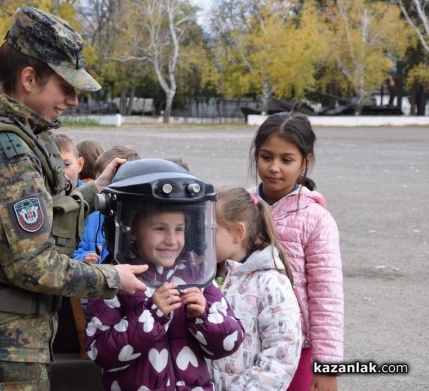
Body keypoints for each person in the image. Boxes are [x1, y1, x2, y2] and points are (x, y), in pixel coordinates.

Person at [0, 6, 147, 390]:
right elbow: (32, 264)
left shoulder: (16, 136)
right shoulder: (8, 154)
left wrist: (93, 190)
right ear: (30, 78)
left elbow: (39, 212)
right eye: (65, 87)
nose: (73, 100)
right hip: (2, 345)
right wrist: (110, 277)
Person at [85, 158, 245, 390]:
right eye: (159, 228)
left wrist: (204, 315)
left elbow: (229, 344)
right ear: (130, 230)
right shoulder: (116, 280)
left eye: (179, 229)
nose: (171, 239)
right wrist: (152, 315)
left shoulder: (196, 276)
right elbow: (101, 352)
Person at [249, 113, 343, 391]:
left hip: (297, 346)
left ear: (306, 162)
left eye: (286, 160)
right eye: (266, 157)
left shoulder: (316, 219)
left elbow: (327, 296)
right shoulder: (240, 207)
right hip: (243, 340)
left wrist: (327, 367)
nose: (274, 167)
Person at [210, 185, 302, 391]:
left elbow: (281, 356)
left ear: (238, 233)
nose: (200, 240)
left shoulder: (271, 284)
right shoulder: (203, 277)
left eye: (211, 230)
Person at [73, 145, 141, 264]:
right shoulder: (91, 216)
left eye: (111, 182)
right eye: (98, 179)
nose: (102, 189)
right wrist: (83, 258)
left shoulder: (139, 222)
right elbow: (78, 250)